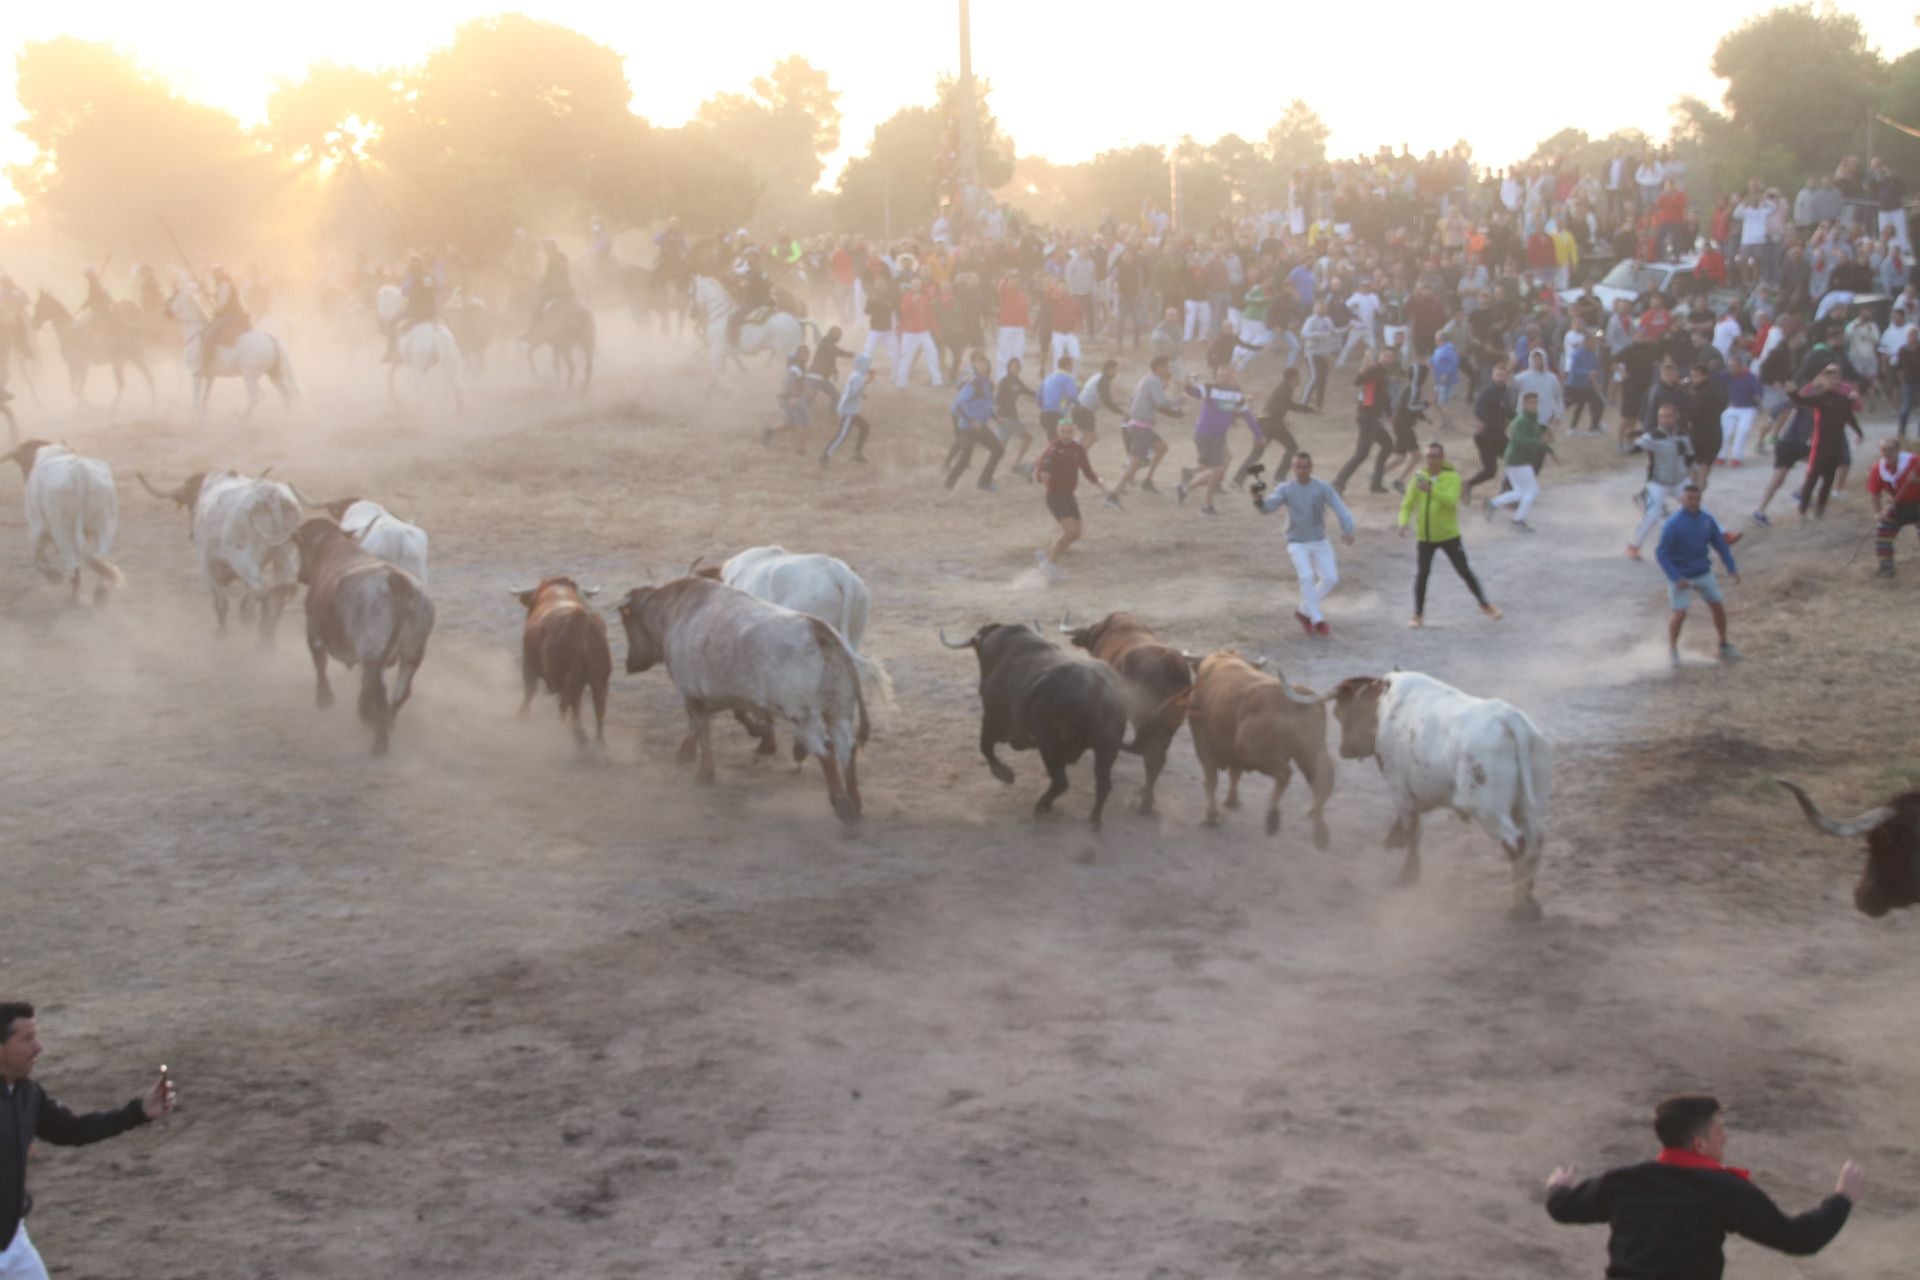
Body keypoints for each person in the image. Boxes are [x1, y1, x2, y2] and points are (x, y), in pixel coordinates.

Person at [1546, 1093, 1860, 1275]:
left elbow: (1562, 1207)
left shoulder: (1624, 1181)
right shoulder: (1723, 1190)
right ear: (1699, 1144)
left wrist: (1557, 1187)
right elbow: (1798, 1239)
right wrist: (1842, 1199)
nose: (1725, 1138)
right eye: (1719, 1130)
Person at [2, 1001, 178, 1280]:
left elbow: (74, 1130)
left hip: (12, 1239)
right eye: (27, 1039)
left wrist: (138, 1112)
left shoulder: (27, 1094)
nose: (39, 1048)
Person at [1251, 452, 1355, 638]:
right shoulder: (1286, 488)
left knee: (1331, 578)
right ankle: (1317, 620)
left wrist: (1347, 529)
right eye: (1297, 467)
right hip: (1296, 542)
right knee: (1306, 576)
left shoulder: (1322, 488)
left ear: (1311, 467)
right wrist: (1257, 500)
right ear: (1293, 468)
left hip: (1319, 540)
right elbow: (1268, 508)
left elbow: (1339, 507)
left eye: (1304, 466)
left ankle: (1303, 611)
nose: (1301, 470)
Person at [1399, 442, 1499, 627]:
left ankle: (1485, 604)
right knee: (1422, 575)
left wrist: (1431, 490)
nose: (1431, 460)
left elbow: (1451, 500)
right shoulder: (1418, 478)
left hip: (1448, 535)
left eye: (1435, 456)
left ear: (1442, 458)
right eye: (1428, 456)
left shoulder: (1452, 477)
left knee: (1464, 571)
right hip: (1425, 537)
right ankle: (1417, 615)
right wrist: (1403, 522)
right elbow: (1408, 503)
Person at [1656, 481, 1741, 664]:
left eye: (1696, 498)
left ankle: (1723, 643)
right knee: (1679, 613)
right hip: (1681, 574)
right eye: (1689, 498)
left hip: (1703, 572)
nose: (1693, 502)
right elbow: (1661, 553)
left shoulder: (1707, 520)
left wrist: (1731, 568)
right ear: (1681, 499)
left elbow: (1720, 545)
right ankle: (1672, 649)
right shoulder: (1673, 524)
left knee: (1717, 606)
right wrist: (1675, 577)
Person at [1033, 417, 1111, 581]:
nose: (1066, 435)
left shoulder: (1077, 449)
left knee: (1076, 534)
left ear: (1074, 432)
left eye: (1069, 432)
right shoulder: (1052, 450)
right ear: (1057, 432)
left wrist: (1099, 483)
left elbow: (1087, 469)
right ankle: (1049, 564)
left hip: (1069, 495)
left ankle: (1045, 555)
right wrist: (1043, 476)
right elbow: (1040, 472)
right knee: (1070, 531)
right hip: (1055, 496)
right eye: (1063, 432)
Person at [1179, 365, 1257, 515]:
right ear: (1216, 376)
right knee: (1217, 468)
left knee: (1224, 462)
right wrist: (1189, 379)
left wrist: (1245, 406)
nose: (1224, 378)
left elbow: (1227, 409)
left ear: (1232, 376)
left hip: (1219, 435)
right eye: (1221, 376)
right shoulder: (1211, 389)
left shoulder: (1234, 391)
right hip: (1208, 433)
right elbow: (1192, 391)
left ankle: (1188, 482)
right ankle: (1206, 503)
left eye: (1227, 375)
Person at [1790, 363, 1865, 520]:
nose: (1833, 381)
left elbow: (1850, 417)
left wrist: (1859, 433)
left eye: (1836, 378)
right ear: (1823, 379)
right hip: (1820, 445)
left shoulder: (1844, 400)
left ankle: (1819, 511)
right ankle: (1802, 511)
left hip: (1835, 444)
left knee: (1828, 480)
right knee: (1812, 478)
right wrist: (1791, 392)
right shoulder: (1819, 398)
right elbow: (1800, 400)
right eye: (1830, 378)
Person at [1627, 402, 1695, 559]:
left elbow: (1690, 456)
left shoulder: (1683, 435)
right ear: (1658, 418)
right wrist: (1631, 443)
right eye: (1662, 417)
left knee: (1699, 509)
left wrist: (1688, 472)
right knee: (1652, 514)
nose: (1666, 420)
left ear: (1675, 417)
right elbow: (1637, 446)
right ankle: (1633, 546)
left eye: (1669, 416)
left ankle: (1721, 536)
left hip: (1680, 482)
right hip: (1657, 483)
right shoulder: (1652, 436)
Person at [1115, 355, 1184, 496]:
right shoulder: (1153, 380)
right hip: (1140, 426)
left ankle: (1147, 481)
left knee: (1161, 448)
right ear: (1159, 368)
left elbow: (1140, 400)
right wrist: (1179, 401)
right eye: (1166, 367)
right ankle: (1115, 491)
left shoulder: (1147, 380)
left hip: (1138, 424)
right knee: (1136, 461)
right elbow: (1161, 402)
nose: (1167, 370)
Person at [1333, 349, 1399, 495]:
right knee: (1361, 454)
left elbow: (1383, 396)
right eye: (1385, 355)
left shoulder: (1381, 371)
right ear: (1380, 356)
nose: (1388, 358)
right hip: (1367, 418)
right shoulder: (1375, 369)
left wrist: (1390, 414)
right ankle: (1338, 483)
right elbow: (1358, 381)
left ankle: (1375, 483)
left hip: (1372, 418)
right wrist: (1363, 366)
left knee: (1387, 445)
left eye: (1391, 357)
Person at [1233, 365, 1308, 487]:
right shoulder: (1286, 389)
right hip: (1273, 423)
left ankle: (1237, 480)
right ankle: (1279, 477)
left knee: (1256, 453)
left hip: (1263, 423)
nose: (1299, 380)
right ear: (1293, 378)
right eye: (1298, 377)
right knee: (1292, 447)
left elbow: (1282, 405)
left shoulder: (1282, 388)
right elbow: (1288, 405)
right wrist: (1308, 409)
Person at [1487, 390, 1550, 531]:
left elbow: (1539, 438)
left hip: (1517, 460)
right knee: (1532, 491)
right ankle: (1518, 519)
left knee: (1520, 491)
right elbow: (1519, 440)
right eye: (1531, 403)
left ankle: (1493, 503)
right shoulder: (1521, 420)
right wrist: (1539, 442)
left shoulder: (1531, 419)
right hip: (1517, 460)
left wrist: (1548, 449)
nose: (1534, 406)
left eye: (1535, 403)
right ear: (1524, 404)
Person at [944, 352, 1003, 491]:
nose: (983, 367)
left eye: (985, 365)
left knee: (998, 450)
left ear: (989, 367)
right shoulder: (974, 384)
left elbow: (987, 405)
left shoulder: (988, 384)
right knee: (965, 459)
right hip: (967, 428)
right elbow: (959, 405)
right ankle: (948, 486)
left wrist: (996, 417)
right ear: (975, 367)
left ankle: (984, 482)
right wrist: (972, 420)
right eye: (980, 365)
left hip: (980, 427)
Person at [1868, 434, 1920, 577]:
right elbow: (1875, 493)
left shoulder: (1915, 462)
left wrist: (1917, 481)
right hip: (1897, 505)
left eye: (1890, 449)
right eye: (1884, 450)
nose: (1887, 453)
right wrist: (1878, 513)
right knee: (1883, 530)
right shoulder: (1878, 468)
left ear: (1898, 450)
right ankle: (1886, 568)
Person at [1464, 360, 1514, 501]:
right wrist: (1487, 422)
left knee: (1508, 463)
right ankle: (1469, 485)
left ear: (1507, 377)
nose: (1500, 378)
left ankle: (1505, 492)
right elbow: (1478, 409)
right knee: (1496, 467)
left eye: (1503, 375)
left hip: (1498, 435)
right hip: (1486, 435)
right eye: (1498, 375)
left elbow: (1509, 412)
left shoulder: (1506, 393)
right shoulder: (1487, 392)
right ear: (1492, 375)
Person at [821, 353, 873, 467]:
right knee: (842, 435)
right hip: (848, 411)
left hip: (850, 410)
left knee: (865, 426)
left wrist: (862, 394)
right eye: (868, 365)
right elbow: (853, 394)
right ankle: (825, 456)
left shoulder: (856, 375)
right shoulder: (857, 377)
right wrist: (867, 382)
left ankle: (857, 453)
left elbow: (851, 391)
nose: (869, 368)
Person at [993, 356, 1039, 482]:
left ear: (1019, 369)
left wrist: (1039, 394)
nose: (1014, 369)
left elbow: (1027, 391)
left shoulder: (1017, 381)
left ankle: (1011, 466)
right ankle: (1011, 467)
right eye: (1012, 367)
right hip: (1006, 418)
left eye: (1017, 367)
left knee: (1004, 446)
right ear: (1008, 368)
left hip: (1012, 417)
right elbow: (997, 400)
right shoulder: (1004, 382)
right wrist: (1000, 417)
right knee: (1023, 440)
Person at [200, 265, 249, 377]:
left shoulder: (224, 283)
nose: (214, 276)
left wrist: (214, 312)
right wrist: (210, 295)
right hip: (230, 313)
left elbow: (222, 302)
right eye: (213, 274)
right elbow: (220, 297)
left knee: (209, 336)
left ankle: (207, 366)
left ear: (220, 273)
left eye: (215, 273)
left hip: (230, 315)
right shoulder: (224, 283)